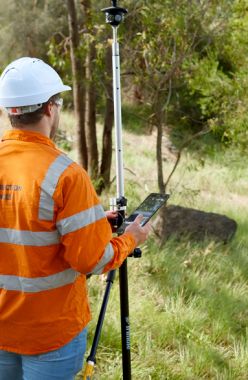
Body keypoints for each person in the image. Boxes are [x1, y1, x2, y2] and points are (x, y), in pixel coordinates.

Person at [0, 57, 151, 379]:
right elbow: (92, 260)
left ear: (9, 110)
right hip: (50, 334)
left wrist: (94, 223)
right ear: (51, 109)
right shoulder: (66, 175)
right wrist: (129, 239)